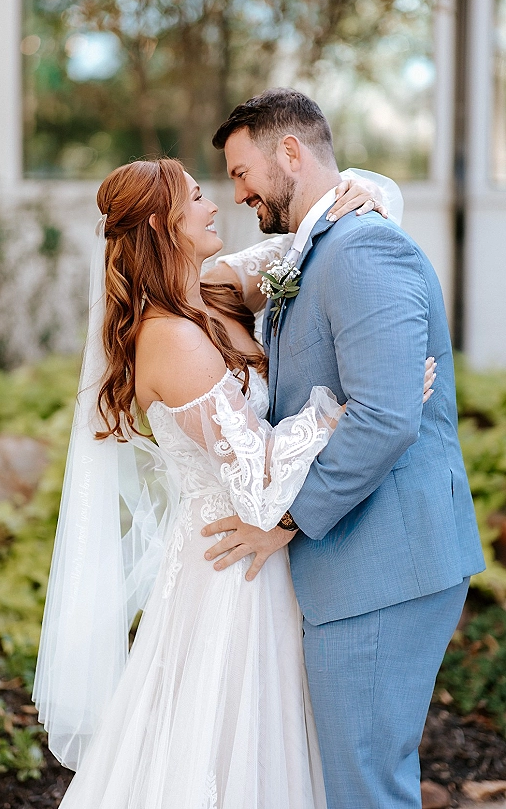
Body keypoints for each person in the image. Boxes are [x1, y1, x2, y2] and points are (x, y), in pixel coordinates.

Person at [32, 156, 434, 809]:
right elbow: (259, 478)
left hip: (263, 554)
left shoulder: (213, 289)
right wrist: (356, 408)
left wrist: (364, 188)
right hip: (231, 571)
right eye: (197, 196)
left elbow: (307, 237)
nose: (216, 205)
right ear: (165, 222)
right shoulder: (170, 340)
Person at [200, 88, 486, 809]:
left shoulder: (363, 249)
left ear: (290, 153)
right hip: (356, 566)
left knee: (364, 785)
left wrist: (286, 522)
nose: (237, 194)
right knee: (349, 780)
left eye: (242, 173)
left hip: (383, 564)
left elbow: (388, 419)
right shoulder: (314, 246)